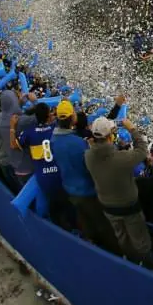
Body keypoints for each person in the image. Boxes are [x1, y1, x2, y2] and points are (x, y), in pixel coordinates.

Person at [84, 116, 153, 270]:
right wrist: (132, 129)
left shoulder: (88, 156)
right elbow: (142, 149)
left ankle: (130, 262)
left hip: (106, 205)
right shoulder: (122, 158)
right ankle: (150, 267)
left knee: (122, 237)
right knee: (140, 240)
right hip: (128, 206)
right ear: (110, 136)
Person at [50, 100, 121, 256]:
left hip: (69, 188)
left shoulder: (54, 139)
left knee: (85, 220)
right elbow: (89, 168)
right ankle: (114, 254)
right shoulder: (77, 143)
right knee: (102, 223)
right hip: (86, 191)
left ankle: (91, 245)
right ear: (71, 118)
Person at [16, 102, 71, 228]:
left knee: (49, 207)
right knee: (65, 206)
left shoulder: (29, 132)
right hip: (59, 176)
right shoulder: (55, 129)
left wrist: (13, 127)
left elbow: (16, 145)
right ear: (49, 116)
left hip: (43, 178)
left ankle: (52, 226)